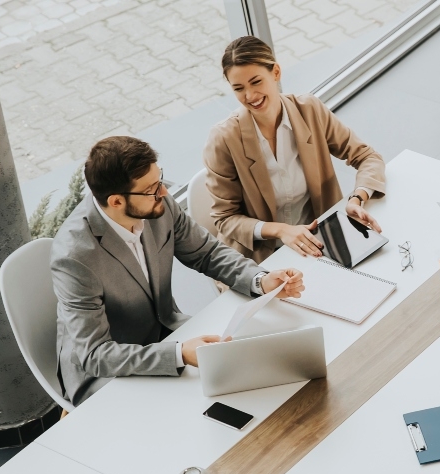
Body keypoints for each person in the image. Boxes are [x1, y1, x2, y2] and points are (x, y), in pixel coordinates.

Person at [52, 136, 304, 406]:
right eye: (151, 189)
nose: (164, 192)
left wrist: (261, 280)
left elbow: (206, 252)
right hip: (106, 370)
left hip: (165, 331)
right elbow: (96, 355)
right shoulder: (75, 256)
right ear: (116, 202)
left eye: (159, 179)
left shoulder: (158, 204)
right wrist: (179, 354)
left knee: (255, 376)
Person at [201, 36, 387, 263]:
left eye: (256, 82)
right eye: (239, 88)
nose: (249, 96)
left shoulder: (309, 110)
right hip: (260, 256)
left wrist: (357, 198)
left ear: (276, 72)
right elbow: (225, 219)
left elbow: (367, 156)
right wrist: (280, 230)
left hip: (320, 241)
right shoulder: (223, 139)